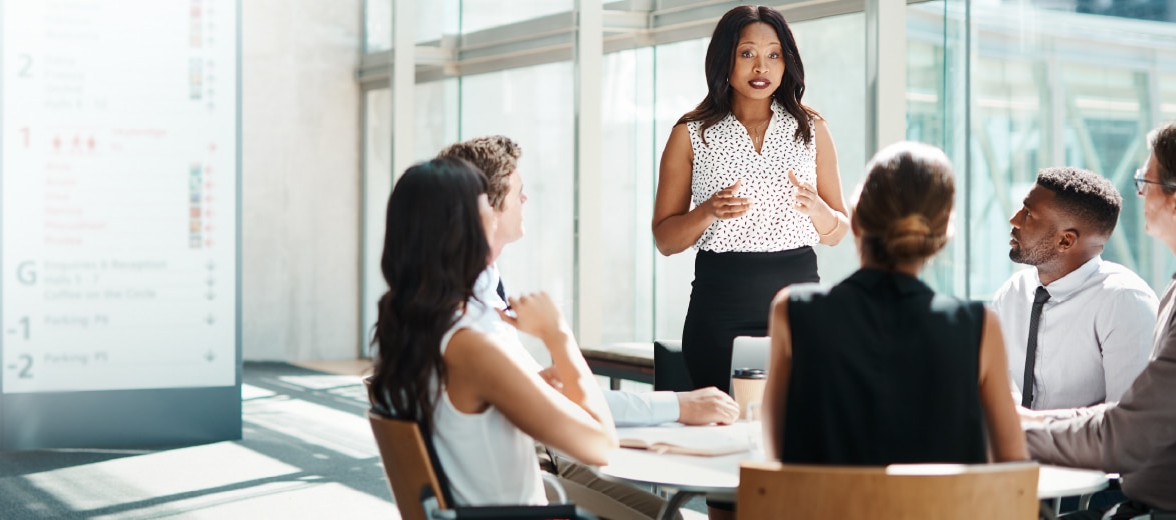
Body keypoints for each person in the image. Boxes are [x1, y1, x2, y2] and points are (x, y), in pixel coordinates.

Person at [440, 136, 736, 520]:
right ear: (488, 209)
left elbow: (539, 400)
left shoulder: (471, 302)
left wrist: (542, 384)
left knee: (668, 514)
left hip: (531, 460)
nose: (526, 200)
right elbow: (596, 440)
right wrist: (558, 336)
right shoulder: (472, 329)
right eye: (518, 192)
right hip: (522, 481)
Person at [1023, 119, 1176, 517]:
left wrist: (1010, 431)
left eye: (1144, 182)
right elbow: (1134, 411)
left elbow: (1127, 436)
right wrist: (1028, 420)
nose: (1138, 195)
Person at [368, 156, 617, 506]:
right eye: (486, 199)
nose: (495, 208)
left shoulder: (414, 328)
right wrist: (558, 334)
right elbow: (602, 446)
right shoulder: (470, 346)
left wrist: (524, 387)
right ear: (462, 225)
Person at [763, 141, 1028, 468]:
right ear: (943, 234)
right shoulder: (979, 325)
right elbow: (1013, 469)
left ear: (856, 221)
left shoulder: (792, 310)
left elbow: (776, 458)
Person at [653, 4, 850, 394]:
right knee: (726, 424)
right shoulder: (691, 133)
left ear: (786, 62)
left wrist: (818, 210)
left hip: (799, 309)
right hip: (720, 309)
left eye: (773, 55)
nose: (761, 67)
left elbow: (838, 231)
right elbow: (665, 239)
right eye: (747, 54)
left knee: (797, 428)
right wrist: (708, 211)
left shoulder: (812, 128)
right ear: (724, 60)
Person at [992, 167, 1157, 410]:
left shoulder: (1125, 302)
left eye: (1028, 214)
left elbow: (1129, 422)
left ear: (1065, 240)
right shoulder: (1013, 293)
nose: (1014, 219)